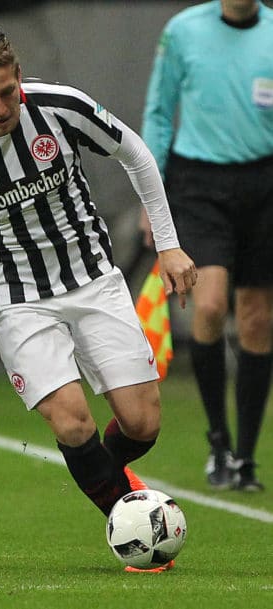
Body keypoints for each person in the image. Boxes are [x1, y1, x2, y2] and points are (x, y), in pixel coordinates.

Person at [0, 28, 196, 572]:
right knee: (72, 424)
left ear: (19, 78)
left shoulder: (62, 107)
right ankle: (132, 529)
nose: (2, 107)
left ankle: (96, 474)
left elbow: (136, 154)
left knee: (142, 423)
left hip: (92, 278)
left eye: (9, 91)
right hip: (14, 298)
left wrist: (168, 245)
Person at [141, 0, 273, 492]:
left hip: (263, 181)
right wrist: (151, 200)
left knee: (259, 317)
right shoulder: (183, 31)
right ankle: (217, 440)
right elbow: (157, 111)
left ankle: (245, 457)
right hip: (198, 181)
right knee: (211, 304)